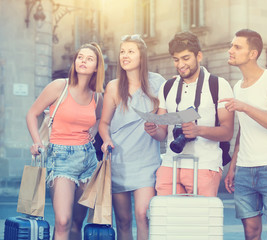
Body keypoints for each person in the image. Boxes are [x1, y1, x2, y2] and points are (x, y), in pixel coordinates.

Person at [26, 42, 105, 240]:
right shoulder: (59, 87)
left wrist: (91, 134)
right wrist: (38, 142)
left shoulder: (97, 96)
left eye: (89, 59)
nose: (83, 61)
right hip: (60, 158)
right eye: (80, 57)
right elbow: (32, 114)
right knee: (62, 221)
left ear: (96, 67)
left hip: (88, 160)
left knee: (77, 224)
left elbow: (98, 119)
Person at [144, 31, 234, 197]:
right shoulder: (168, 86)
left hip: (204, 165)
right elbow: (162, 132)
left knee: (199, 221)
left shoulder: (218, 85)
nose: (180, 65)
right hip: (171, 163)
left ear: (198, 56)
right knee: (167, 219)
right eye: (176, 59)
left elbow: (228, 132)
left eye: (186, 58)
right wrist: (153, 130)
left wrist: (198, 131)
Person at [221, 29, 267, 240]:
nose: (231, 50)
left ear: (253, 54)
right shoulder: (237, 87)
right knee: (251, 233)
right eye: (232, 45)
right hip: (244, 170)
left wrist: (245, 107)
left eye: (237, 47)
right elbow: (244, 129)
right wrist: (232, 167)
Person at [99, 34, 165, 240]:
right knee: (123, 220)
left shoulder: (158, 83)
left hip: (147, 161)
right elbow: (104, 124)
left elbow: (163, 130)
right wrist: (106, 139)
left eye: (130, 51)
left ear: (142, 56)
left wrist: (155, 130)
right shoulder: (113, 87)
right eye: (122, 52)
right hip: (119, 161)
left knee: (144, 215)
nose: (124, 56)